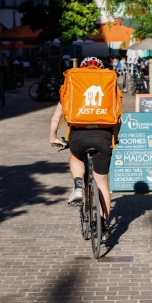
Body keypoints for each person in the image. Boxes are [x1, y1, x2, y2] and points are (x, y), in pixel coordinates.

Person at [49, 57, 120, 240]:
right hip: (103, 137)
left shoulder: (72, 90)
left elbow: (56, 119)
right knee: (102, 183)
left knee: (76, 156)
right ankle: (103, 227)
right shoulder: (108, 88)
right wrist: (115, 138)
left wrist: (53, 138)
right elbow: (117, 118)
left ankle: (79, 186)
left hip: (78, 135)